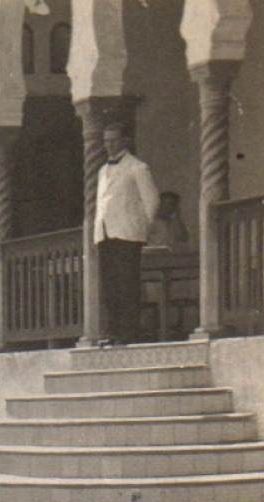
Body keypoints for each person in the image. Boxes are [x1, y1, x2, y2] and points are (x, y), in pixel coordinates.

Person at [94, 125, 160, 344]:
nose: (109, 145)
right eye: (106, 141)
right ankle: (114, 332)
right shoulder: (103, 170)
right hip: (106, 234)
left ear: (124, 141)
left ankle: (129, 333)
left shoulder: (137, 167)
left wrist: (140, 226)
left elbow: (151, 201)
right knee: (110, 286)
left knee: (127, 284)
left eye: (114, 140)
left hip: (127, 234)